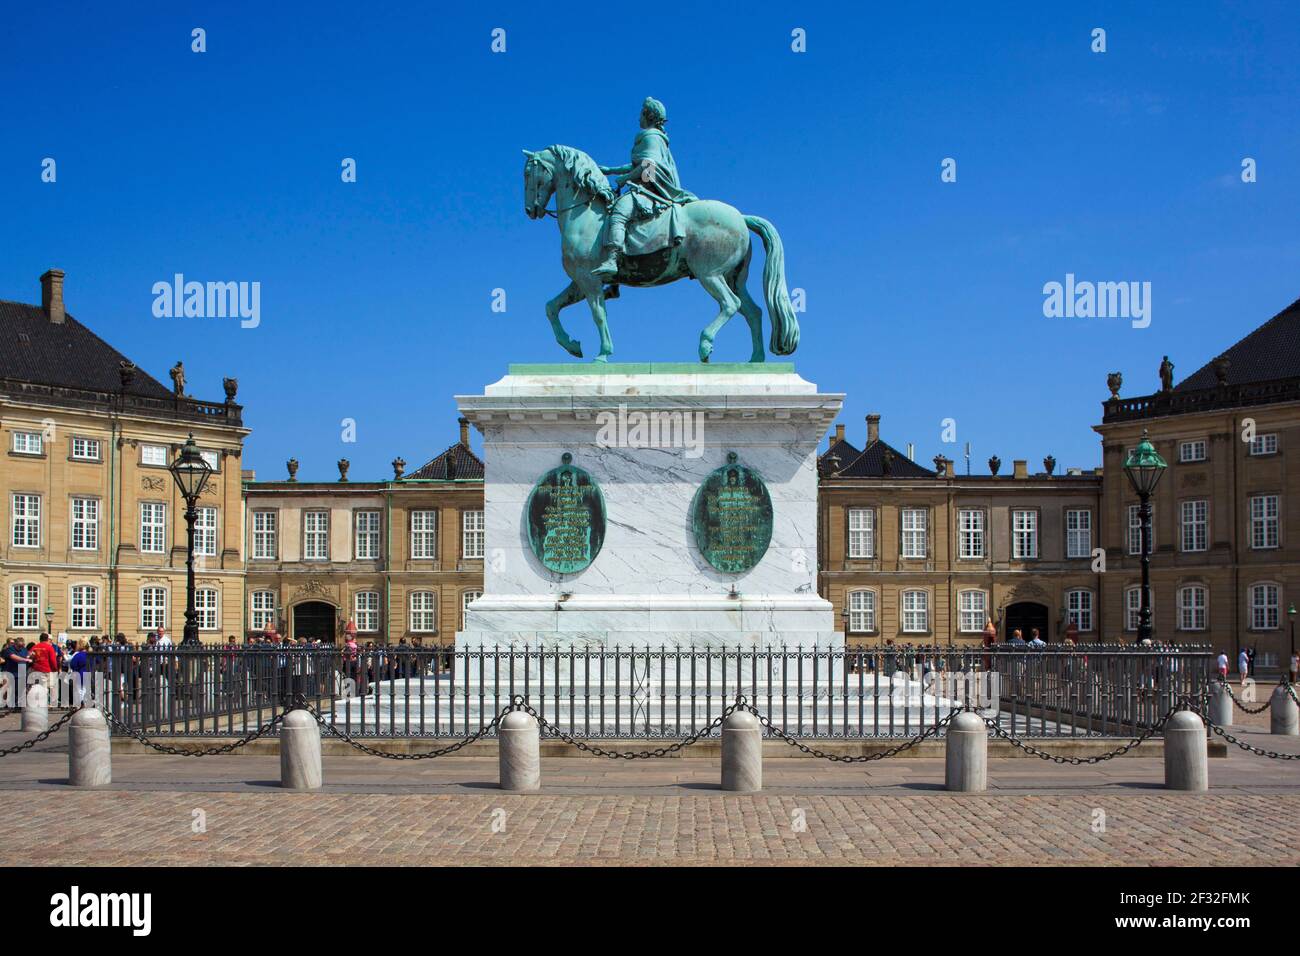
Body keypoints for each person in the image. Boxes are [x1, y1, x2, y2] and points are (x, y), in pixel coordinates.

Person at [591, 96, 697, 279]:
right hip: (648, 186)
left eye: (641, 113)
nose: (638, 117)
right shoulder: (656, 138)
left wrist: (624, 179)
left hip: (652, 192)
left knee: (619, 212)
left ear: (647, 115)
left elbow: (649, 168)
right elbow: (639, 165)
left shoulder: (651, 137)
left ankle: (612, 259)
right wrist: (611, 170)